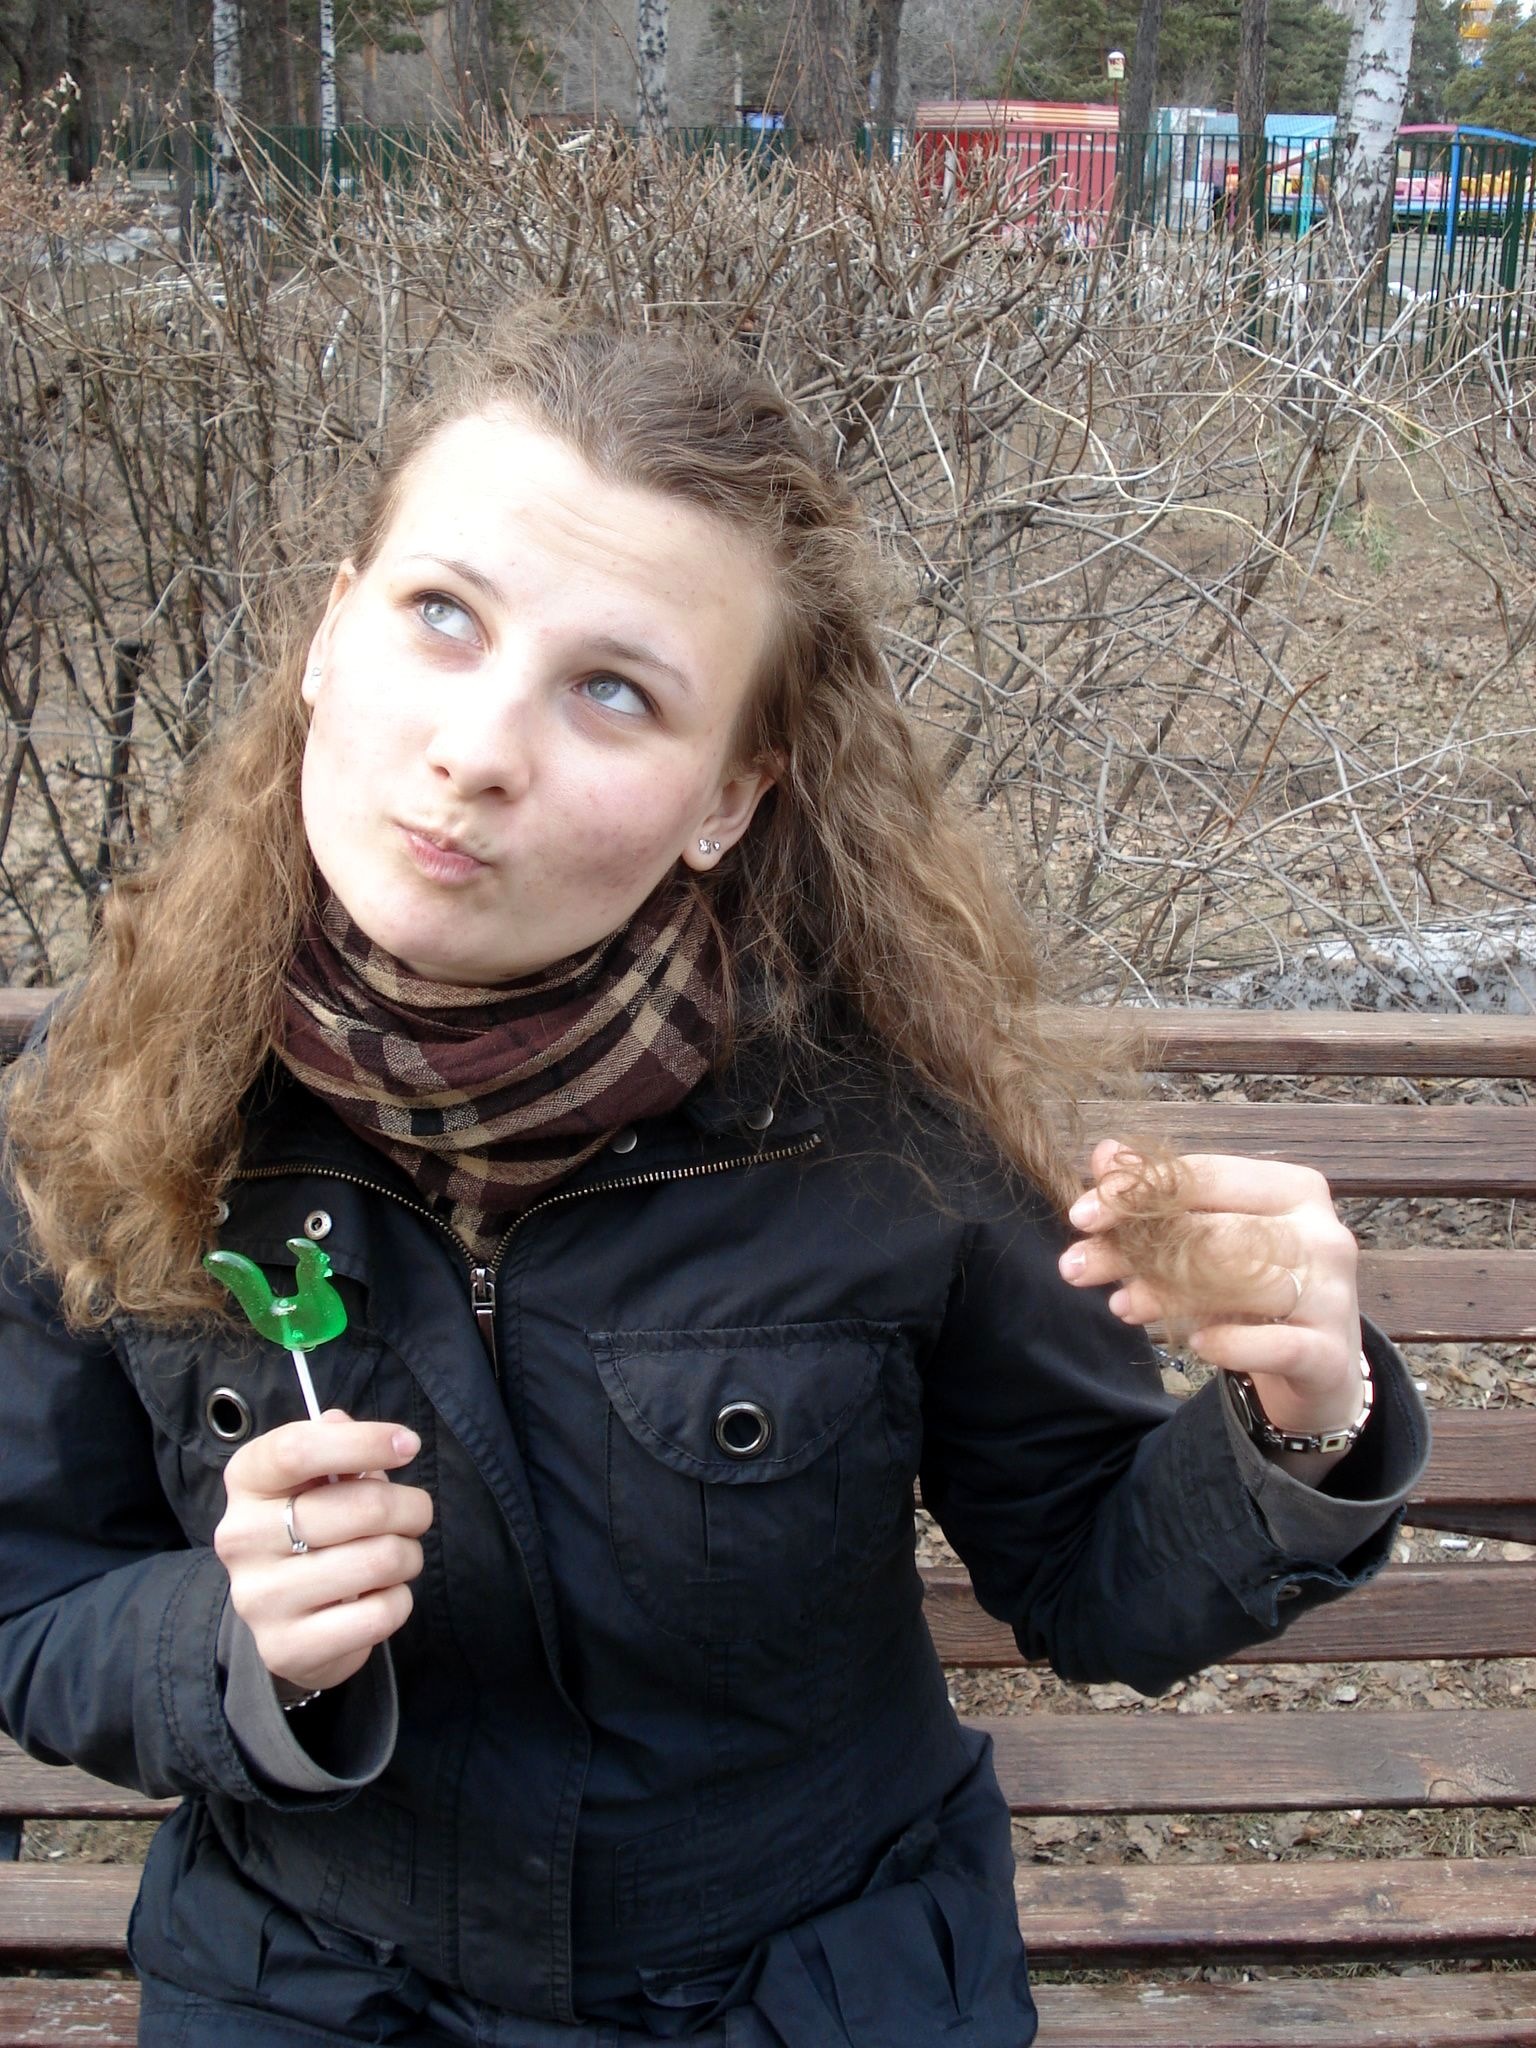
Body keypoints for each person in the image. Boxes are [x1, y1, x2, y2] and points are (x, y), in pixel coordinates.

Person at [0, 311, 1426, 2048]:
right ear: (327, 635)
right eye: (441, 616)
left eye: (614, 690)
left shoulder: (879, 1129)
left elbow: (1090, 1574)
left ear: (726, 799)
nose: (478, 748)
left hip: (804, 1990)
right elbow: (32, 1599)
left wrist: (1305, 1417)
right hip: (315, 1985)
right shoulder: (114, 1100)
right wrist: (228, 1640)